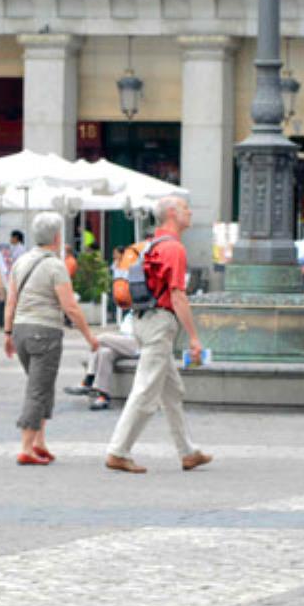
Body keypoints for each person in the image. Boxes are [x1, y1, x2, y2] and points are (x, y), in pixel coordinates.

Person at [105, 196, 213, 474]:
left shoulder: (152, 244)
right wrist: (193, 337)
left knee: (172, 390)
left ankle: (187, 452)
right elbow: (178, 295)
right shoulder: (174, 249)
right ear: (173, 214)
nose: (190, 212)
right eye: (186, 208)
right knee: (145, 389)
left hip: (143, 319)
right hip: (159, 323)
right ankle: (118, 451)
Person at [3, 213, 99, 465]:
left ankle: (39, 442)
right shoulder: (56, 266)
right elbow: (71, 307)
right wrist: (89, 336)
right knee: (38, 389)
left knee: (41, 385)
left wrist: (7, 333)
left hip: (21, 330)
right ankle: (26, 447)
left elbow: (11, 300)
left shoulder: (20, 262)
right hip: (45, 332)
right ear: (57, 237)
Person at [64, 313, 139, 410]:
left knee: (100, 339)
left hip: (141, 345)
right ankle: (103, 396)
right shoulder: (132, 313)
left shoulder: (150, 310)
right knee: (104, 353)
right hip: (126, 344)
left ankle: (88, 380)